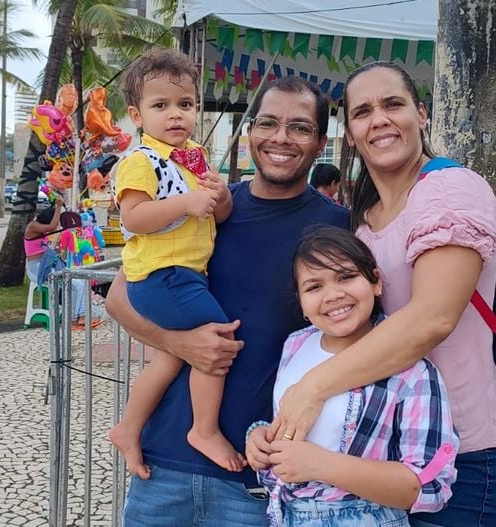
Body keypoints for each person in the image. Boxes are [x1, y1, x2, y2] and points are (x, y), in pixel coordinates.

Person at [264, 62, 496, 527]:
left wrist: (312, 388)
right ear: (351, 134)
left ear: (421, 115)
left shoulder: (448, 192)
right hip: (377, 458)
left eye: (392, 104)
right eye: (363, 112)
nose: (378, 119)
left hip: (455, 452)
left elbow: (432, 319)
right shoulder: (364, 216)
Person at [104, 75, 349, 525]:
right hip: (164, 464)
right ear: (250, 131)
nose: (280, 138)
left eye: (299, 127)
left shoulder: (340, 229)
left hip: (256, 474)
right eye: (268, 123)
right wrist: (179, 344)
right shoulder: (206, 206)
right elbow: (119, 297)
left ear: (319, 144)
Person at [248, 227, 458, 526]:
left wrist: (320, 465)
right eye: (313, 286)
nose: (333, 295)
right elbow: (294, 426)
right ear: (301, 302)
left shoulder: (411, 370)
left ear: (376, 281)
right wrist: (261, 439)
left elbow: (428, 486)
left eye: (346, 277)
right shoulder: (296, 344)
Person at [108, 48, 241, 474]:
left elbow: (217, 214)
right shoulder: (138, 162)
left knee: (168, 358)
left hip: (185, 274)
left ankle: (128, 428)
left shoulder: (196, 155)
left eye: (185, 105)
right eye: (160, 105)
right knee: (215, 341)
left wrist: (219, 199)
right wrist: (186, 202)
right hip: (162, 275)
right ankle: (203, 429)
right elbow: (134, 218)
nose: (175, 115)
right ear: (138, 114)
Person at [24, 196, 100, 330]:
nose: (57, 224)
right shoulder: (33, 226)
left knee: (82, 280)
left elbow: (53, 229)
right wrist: (59, 206)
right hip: (36, 268)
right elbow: (52, 226)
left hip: (47, 265)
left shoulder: (43, 228)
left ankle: (81, 317)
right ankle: (70, 321)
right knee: (74, 284)